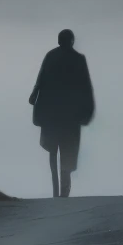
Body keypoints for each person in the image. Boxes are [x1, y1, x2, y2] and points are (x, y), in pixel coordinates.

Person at [28, 28, 95, 197]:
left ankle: (59, 191)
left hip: (54, 113)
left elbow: (40, 80)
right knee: (64, 151)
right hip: (68, 115)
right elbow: (86, 88)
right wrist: (88, 110)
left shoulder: (53, 56)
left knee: (55, 150)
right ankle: (62, 191)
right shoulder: (77, 59)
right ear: (71, 41)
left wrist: (34, 95)